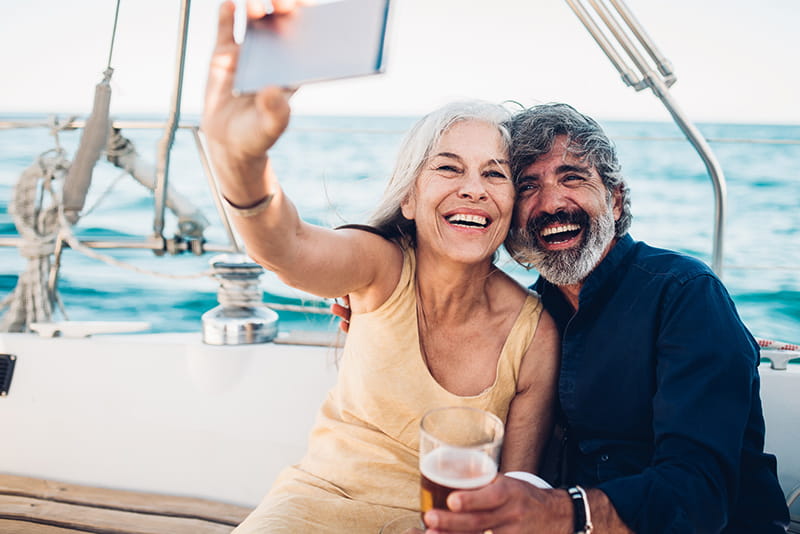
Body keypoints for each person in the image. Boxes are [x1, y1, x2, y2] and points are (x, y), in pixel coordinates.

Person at [202, 3, 560, 532]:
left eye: (495, 174)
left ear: (512, 205)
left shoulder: (534, 335)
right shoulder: (381, 266)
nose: (473, 189)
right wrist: (242, 164)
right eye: (448, 167)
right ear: (409, 199)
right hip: (314, 505)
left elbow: (514, 499)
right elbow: (288, 246)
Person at [417, 103, 790, 533]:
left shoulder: (685, 294)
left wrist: (562, 512)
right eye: (528, 186)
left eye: (572, 178)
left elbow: (699, 494)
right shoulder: (529, 316)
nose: (551, 203)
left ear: (615, 200)